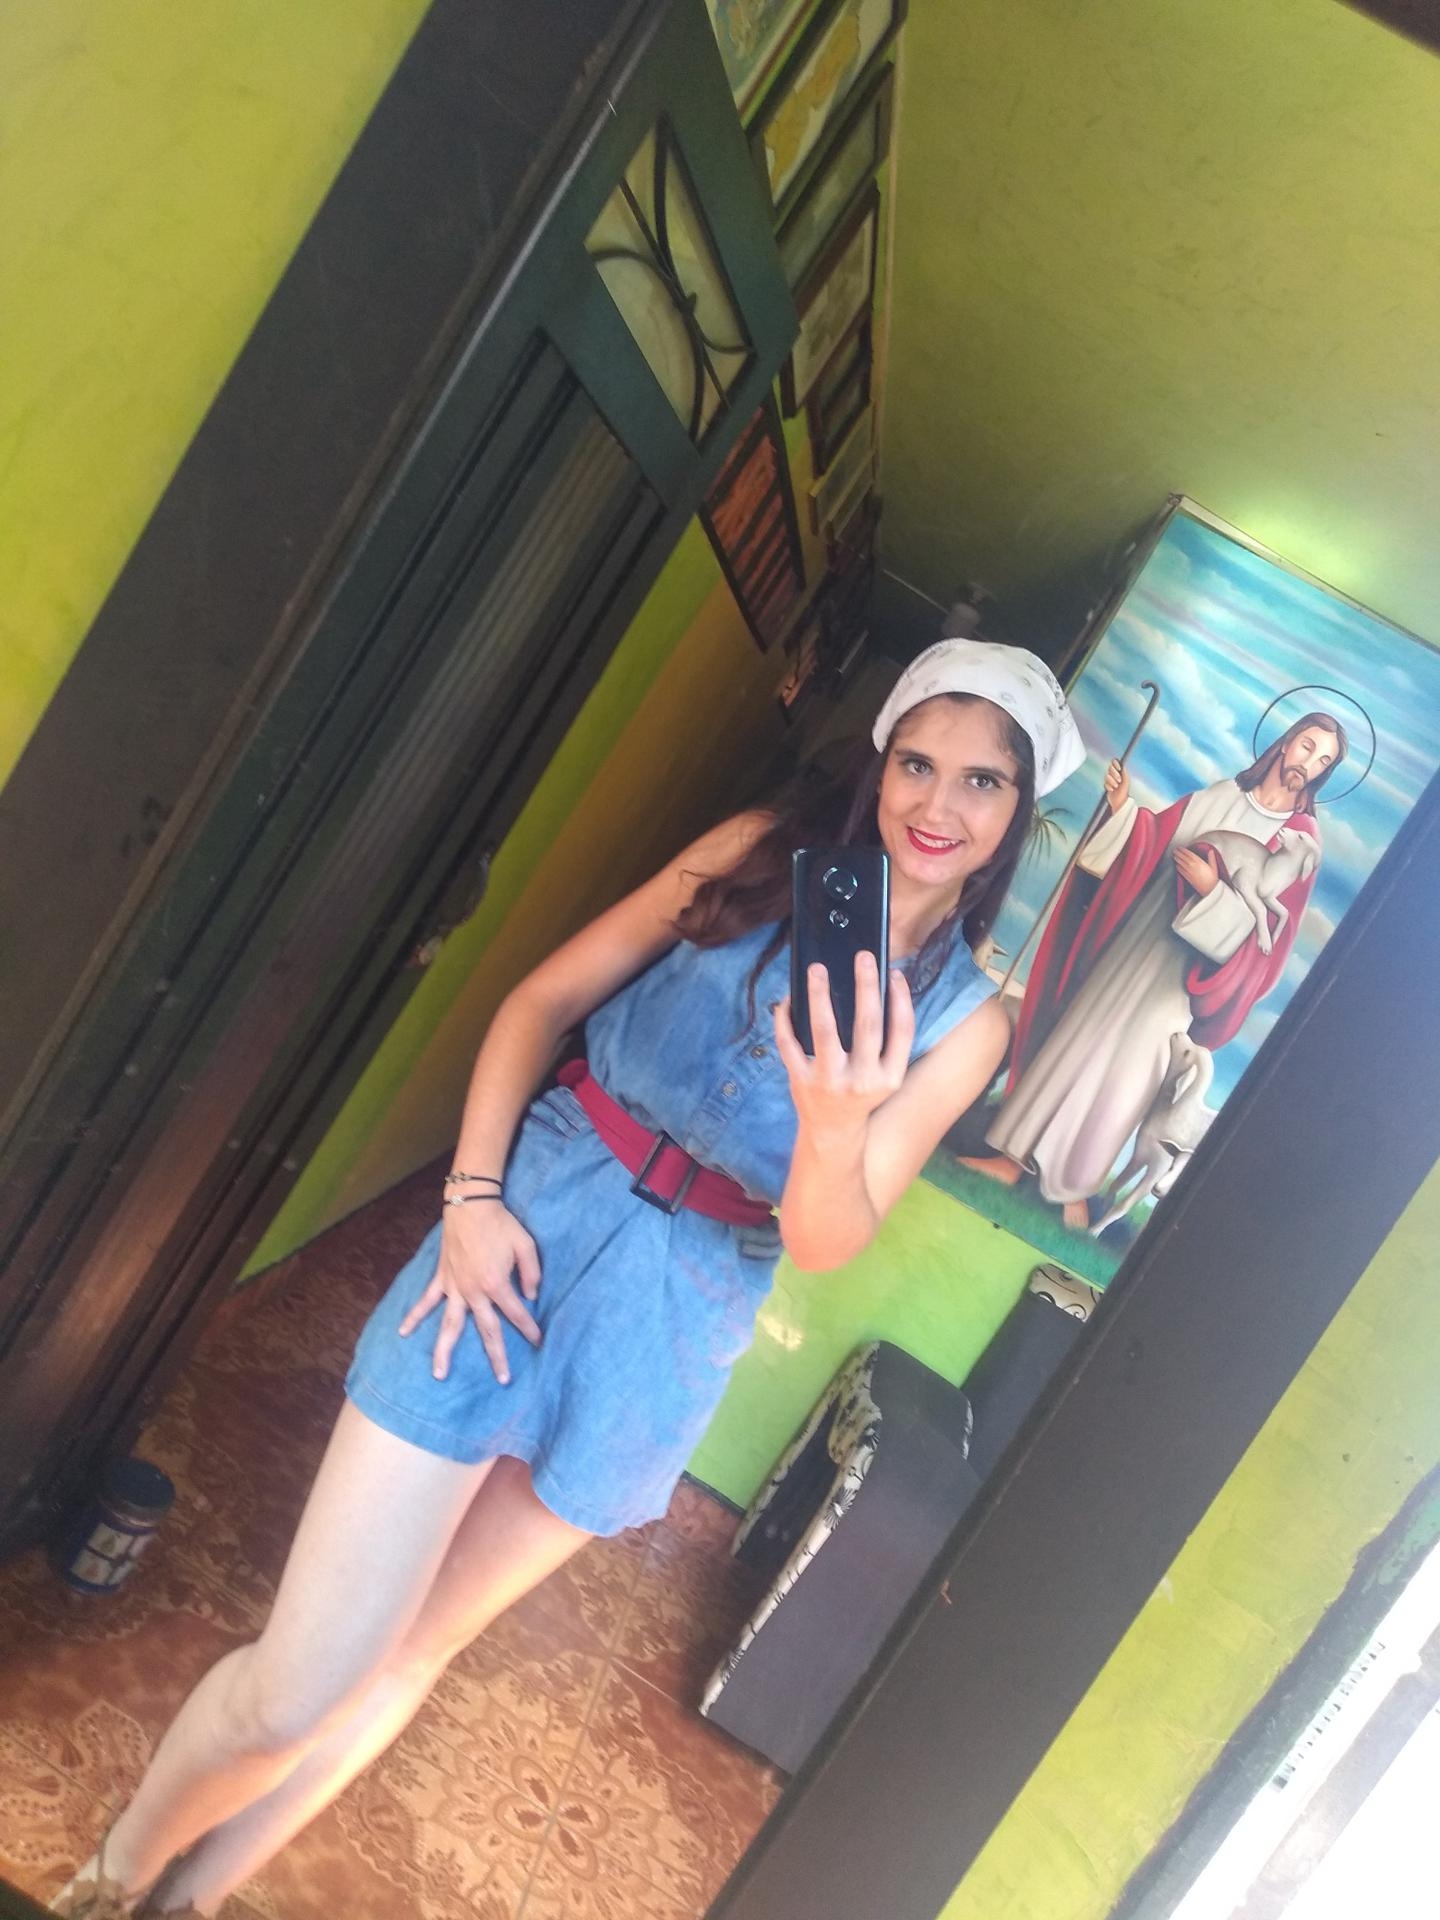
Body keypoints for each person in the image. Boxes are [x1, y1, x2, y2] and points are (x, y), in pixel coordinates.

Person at [53, 638, 1083, 1919]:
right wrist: (471, 1197)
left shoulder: (967, 1023)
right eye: (919, 762)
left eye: (983, 782)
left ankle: (192, 1899)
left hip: (678, 1318)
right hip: (526, 1224)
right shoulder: (753, 853)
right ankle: (112, 1877)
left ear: (1018, 811)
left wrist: (833, 1123)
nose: (939, 805)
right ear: (880, 762)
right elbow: (538, 1004)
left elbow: (826, 1240)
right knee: (303, 1683)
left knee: (412, 1655)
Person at [963, 710, 1346, 1229]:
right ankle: (1011, 1161)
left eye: (1323, 760)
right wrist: (1124, 809)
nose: (1309, 762)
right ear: (1285, 743)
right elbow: (1154, 841)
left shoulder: (1300, 841)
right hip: (1138, 941)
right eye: (1307, 746)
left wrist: (1213, 891)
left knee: (1129, 1076)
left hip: (1181, 979)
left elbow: (1269, 944)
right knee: (1079, 1040)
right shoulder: (1222, 796)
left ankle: (1073, 1191)